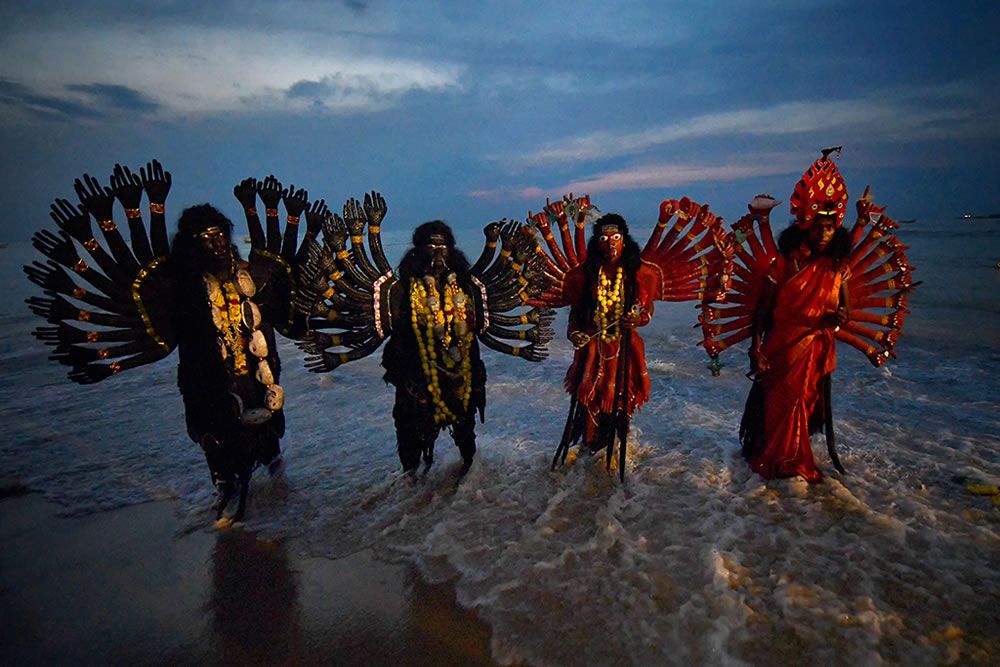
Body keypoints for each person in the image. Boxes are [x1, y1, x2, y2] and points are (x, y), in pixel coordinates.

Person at [741, 154, 852, 482]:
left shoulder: (837, 269)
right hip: (783, 345)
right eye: (818, 227)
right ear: (804, 228)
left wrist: (839, 317)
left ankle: (795, 456)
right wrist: (754, 346)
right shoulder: (784, 265)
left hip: (817, 347)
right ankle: (783, 460)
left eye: (830, 228)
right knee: (781, 403)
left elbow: (844, 310)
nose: (823, 234)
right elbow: (763, 310)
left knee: (805, 403)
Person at [381, 221, 488, 474]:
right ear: (419, 251)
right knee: (410, 443)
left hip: (459, 379)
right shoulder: (404, 289)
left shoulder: (465, 287)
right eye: (431, 245)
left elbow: (474, 333)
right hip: (417, 381)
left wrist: (475, 379)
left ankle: (468, 488)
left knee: (466, 437)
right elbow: (396, 336)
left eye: (443, 246)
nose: (438, 252)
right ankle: (411, 494)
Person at [562, 214, 657, 455]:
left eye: (616, 237)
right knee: (589, 413)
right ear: (597, 243)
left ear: (624, 240)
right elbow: (574, 315)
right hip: (592, 356)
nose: (610, 243)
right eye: (604, 238)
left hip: (624, 352)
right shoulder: (587, 275)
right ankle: (588, 464)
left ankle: (615, 470)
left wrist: (636, 318)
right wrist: (575, 335)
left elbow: (647, 311)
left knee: (620, 414)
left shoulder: (634, 273)